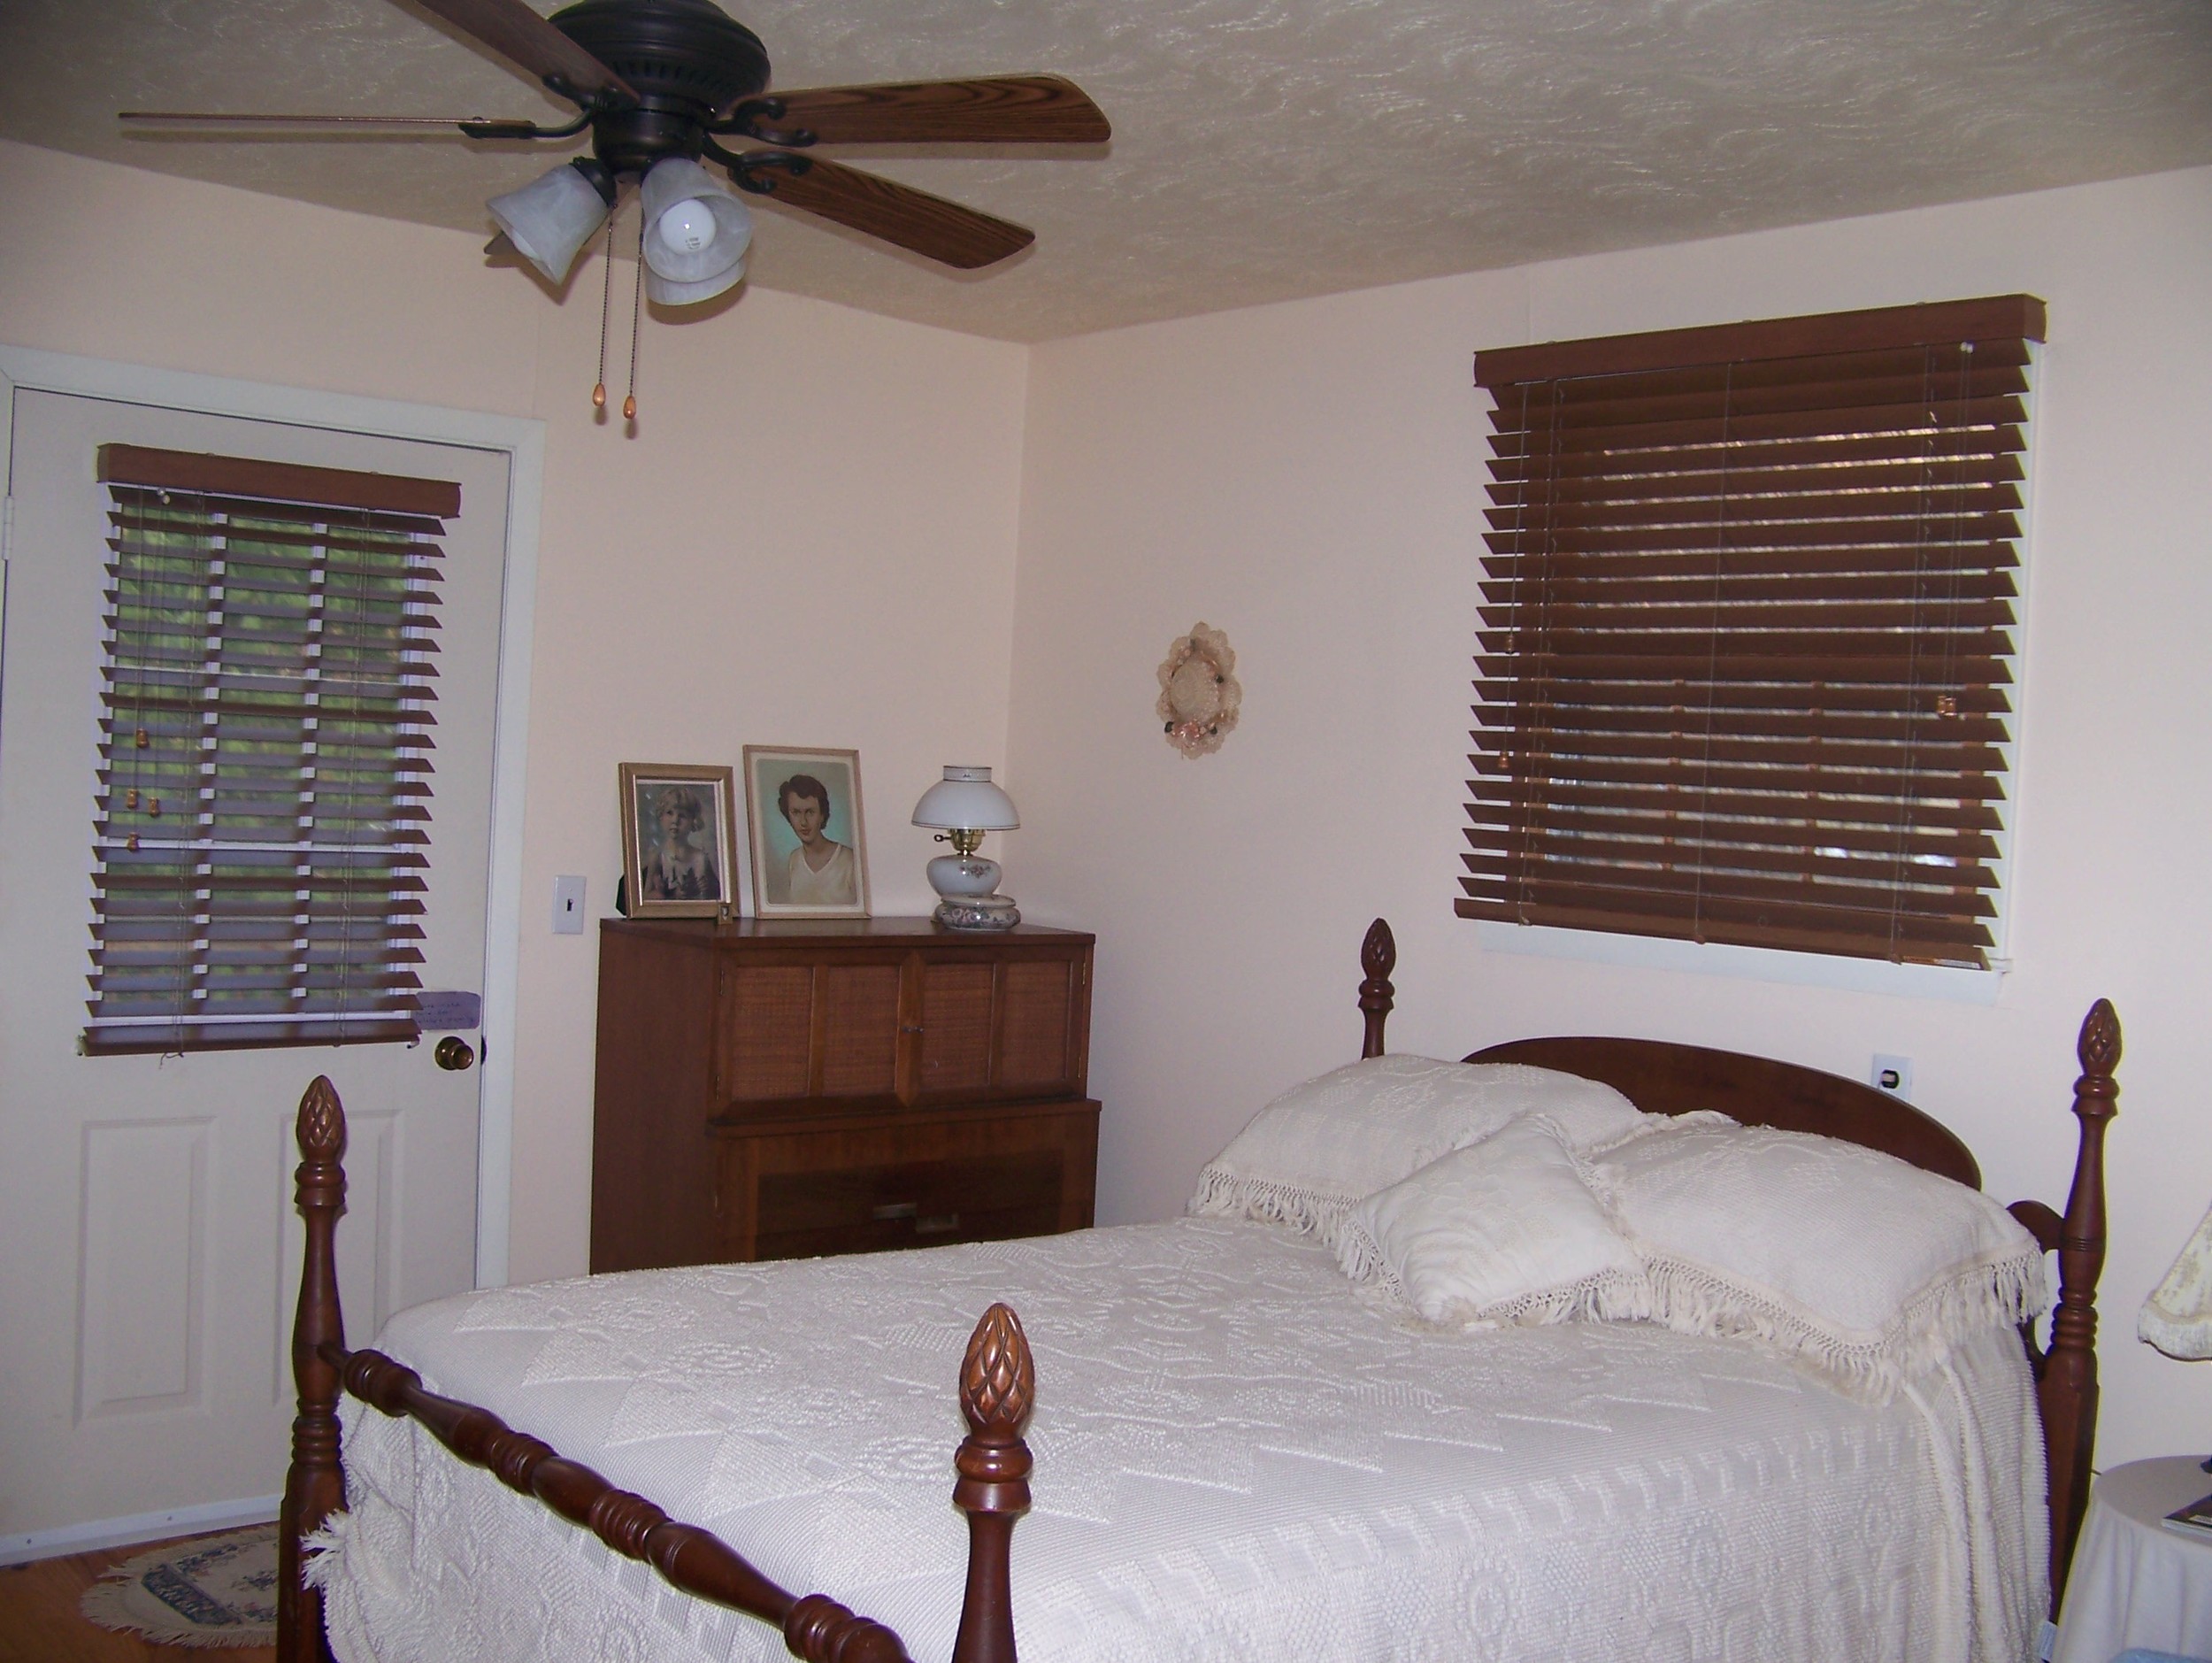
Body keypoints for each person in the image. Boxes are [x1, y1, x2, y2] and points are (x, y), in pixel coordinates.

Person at [778, 773, 857, 906]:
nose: (803, 822)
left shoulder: (850, 861)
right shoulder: (794, 860)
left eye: (810, 812)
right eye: (796, 813)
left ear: (822, 815)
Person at [641, 784, 719, 901]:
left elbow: (715, 896)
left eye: (682, 816)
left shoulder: (700, 858)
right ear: (661, 816)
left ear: (693, 821)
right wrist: (667, 895)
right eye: (669, 813)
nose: (675, 820)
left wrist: (705, 889)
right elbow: (645, 897)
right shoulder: (657, 858)